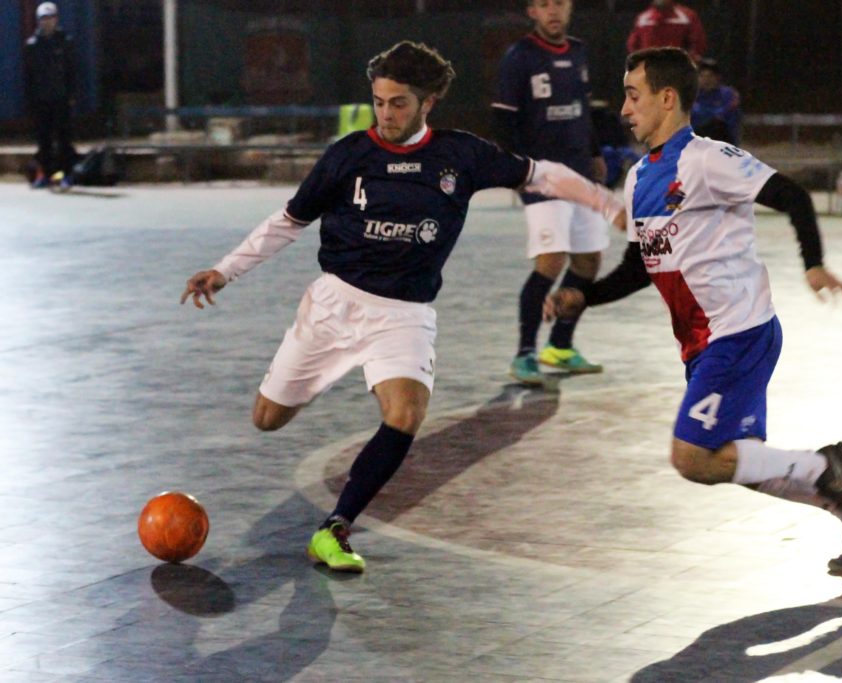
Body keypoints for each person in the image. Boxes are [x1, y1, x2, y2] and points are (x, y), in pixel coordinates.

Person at [181, 41, 623, 573]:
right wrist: (224, 270)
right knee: (267, 419)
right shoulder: (349, 155)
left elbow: (543, 175)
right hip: (334, 305)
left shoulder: (460, 156)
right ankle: (318, 375)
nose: (385, 114)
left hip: (404, 314)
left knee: (407, 414)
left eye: (398, 104)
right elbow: (289, 221)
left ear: (427, 102)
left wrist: (608, 204)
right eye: (379, 101)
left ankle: (335, 529)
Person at [545, 47, 842, 573]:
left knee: (691, 457)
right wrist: (584, 297)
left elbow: (793, 196)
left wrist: (814, 264)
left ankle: (827, 467)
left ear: (667, 98)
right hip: (703, 343)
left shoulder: (709, 159)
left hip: (738, 334)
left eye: (633, 95)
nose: (623, 109)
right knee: (732, 462)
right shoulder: (639, 177)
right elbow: (641, 267)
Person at [493, 0, 609, 385]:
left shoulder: (577, 51)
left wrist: (594, 152)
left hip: (581, 174)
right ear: (531, 12)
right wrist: (517, 169)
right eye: (544, 4)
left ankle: (559, 346)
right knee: (551, 262)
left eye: (559, 3)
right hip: (543, 175)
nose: (553, 11)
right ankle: (524, 353)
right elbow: (503, 119)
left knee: (589, 262)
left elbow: (582, 109)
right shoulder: (519, 56)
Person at [23, 1, 76, 191]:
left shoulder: (65, 42)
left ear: (57, 19)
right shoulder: (32, 45)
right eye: (44, 19)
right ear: (38, 21)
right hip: (41, 100)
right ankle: (45, 175)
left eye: (51, 18)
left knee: (63, 139)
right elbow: (28, 76)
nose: (48, 22)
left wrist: (71, 94)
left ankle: (65, 176)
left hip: (61, 98)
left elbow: (71, 71)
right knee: (43, 139)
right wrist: (30, 100)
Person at [626, 0, 707, 60]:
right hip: (650, 69)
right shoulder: (642, 18)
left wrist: (688, 62)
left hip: (677, 69)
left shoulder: (687, 16)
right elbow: (633, 45)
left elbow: (698, 44)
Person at [690, 58, 741, 146]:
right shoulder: (691, 96)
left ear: (718, 78)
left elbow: (727, 116)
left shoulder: (728, 94)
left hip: (722, 144)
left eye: (710, 76)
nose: (707, 80)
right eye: (702, 76)